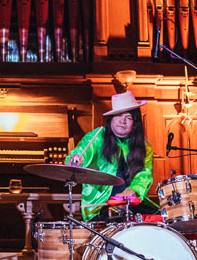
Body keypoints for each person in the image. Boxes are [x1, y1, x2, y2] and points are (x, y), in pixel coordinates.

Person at [66, 91, 156, 221]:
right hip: (100, 205)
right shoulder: (97, 137)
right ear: (111, 119)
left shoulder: (143, 145)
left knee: (161, 220)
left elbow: (145, 174)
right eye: (118, 115)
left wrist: (132, 190)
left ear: (135, 124)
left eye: (129, 118)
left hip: (130, 201)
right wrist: (75, 159)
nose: (123, 121)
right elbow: (82, 151)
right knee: (115, 219)